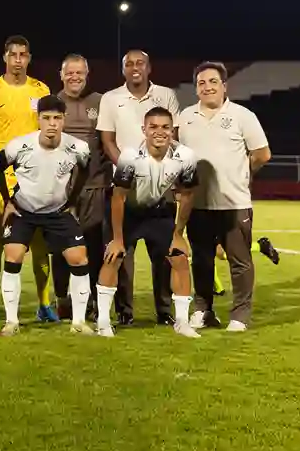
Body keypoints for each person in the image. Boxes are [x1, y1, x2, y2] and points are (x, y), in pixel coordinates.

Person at [177, 62, 271, 332]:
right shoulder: (185, 117)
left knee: (239, 262)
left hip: (234, 203)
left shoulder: (243, 116)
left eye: (213, 82)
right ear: (196, 88)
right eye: (202, 83)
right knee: (202, 260)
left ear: (224, 86)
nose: (207, 87)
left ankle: (240, 315)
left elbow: (262, 154)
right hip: (199, 203)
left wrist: (243, 173)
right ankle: (203, 310)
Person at [95, 49, 181, 323]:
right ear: (123, 70)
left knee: (164, 256)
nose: (135, 67)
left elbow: (173, 135)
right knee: (121, 256)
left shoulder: (166, 95)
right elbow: (107, 140)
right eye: (129, 64)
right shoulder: (110, 99)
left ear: (149, 67)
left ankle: (165, 312)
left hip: (160, 188)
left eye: (140, 63)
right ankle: (124, 313)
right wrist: (129, 168)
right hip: (124, 189)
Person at [0, 95, 94, 335]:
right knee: (13, 255)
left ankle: (79, 323)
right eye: (46, 118)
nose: (52, 124)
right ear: (38, 119)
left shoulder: (77, 147)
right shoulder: (19, 145)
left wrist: (72, 201)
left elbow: (84, 170)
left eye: (57, 118)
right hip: (23, 210)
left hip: (57, 211)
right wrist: (8, 201)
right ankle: (12, 322)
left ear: (64, 120)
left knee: (79, 258)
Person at [101, 107, 201, 338]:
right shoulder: (129, 157)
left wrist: (178, 233)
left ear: (172, 130)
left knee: (179, 258)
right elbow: (118, 197)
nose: (159, 132)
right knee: (113, 258)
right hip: (128, 212)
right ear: (143, 130)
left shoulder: (186, 156)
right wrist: (117, 239)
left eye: (165, 127)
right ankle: (104, 323)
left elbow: (187, 196)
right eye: (153, 127)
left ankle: (182, 322)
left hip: (158, 211)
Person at [0, 35, 53, 322]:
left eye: (23, 54)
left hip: (34, 177)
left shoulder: (41, 90)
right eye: (13, 54)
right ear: (5, 57)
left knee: (39, 245)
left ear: (29, 58)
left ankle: (45, 304)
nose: (18, 60)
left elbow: (48, 129)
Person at [53, 54, 107, 322]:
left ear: (87, 73)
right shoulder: (53, 102)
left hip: (94, 188)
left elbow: (108, 142)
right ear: (61, 75)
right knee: (62, 248)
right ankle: (63, 300)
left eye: (80, 72)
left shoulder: (101, 102)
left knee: (94, 248)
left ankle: (94, 301)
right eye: (69, 73)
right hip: (59, 190)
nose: (75, 77)